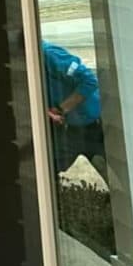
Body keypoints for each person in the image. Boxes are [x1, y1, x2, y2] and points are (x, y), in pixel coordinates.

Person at [42, 41, 105, 177]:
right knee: (47, 172)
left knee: (115, 176)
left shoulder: (49, 55)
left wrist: (61, 109)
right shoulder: (24, 65)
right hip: (69, 128)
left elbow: (89, 81)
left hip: (93, 124)